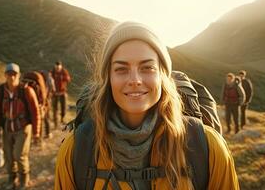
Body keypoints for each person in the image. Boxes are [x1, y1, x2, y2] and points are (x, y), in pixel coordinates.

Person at [54, 22, 239, 189]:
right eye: (121, 69)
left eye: (147, 68)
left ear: (162, 76)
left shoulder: (207, 147)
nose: (135, 80)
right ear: (108, 78)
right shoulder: (77, 150)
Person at [0, 63, 41, 189]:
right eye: (9, 74)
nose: (12, 77)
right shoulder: (0, 92)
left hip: (23, 128)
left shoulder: (26, 91)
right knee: (8, 156)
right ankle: (11, 179)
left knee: (19, 155)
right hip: (7, 129)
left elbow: (35, 112)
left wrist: (36, 132)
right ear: (5, 76)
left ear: (19, 75)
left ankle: (24, 180)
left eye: (14, 74)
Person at [51, 61, 71, 127]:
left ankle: (62, 119)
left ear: (61, 66)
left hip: (62, 92)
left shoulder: (64, 71)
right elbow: (49, 79)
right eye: (56, 67)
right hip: (55, 93)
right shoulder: (52, 72)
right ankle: (55, 122)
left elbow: (68, 79)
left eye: (58, 67)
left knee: (64, 107)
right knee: (55, 108)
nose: (57, 69)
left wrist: (64, 78)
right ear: (55, 66)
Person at [40, 70, 56, 139]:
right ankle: (48, 133)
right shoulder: (50, 79)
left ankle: (40, 135)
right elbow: (53, 89)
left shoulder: (40, 79)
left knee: (42, 117)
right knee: (46, 117)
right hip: (46, 100)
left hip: (41, 100)